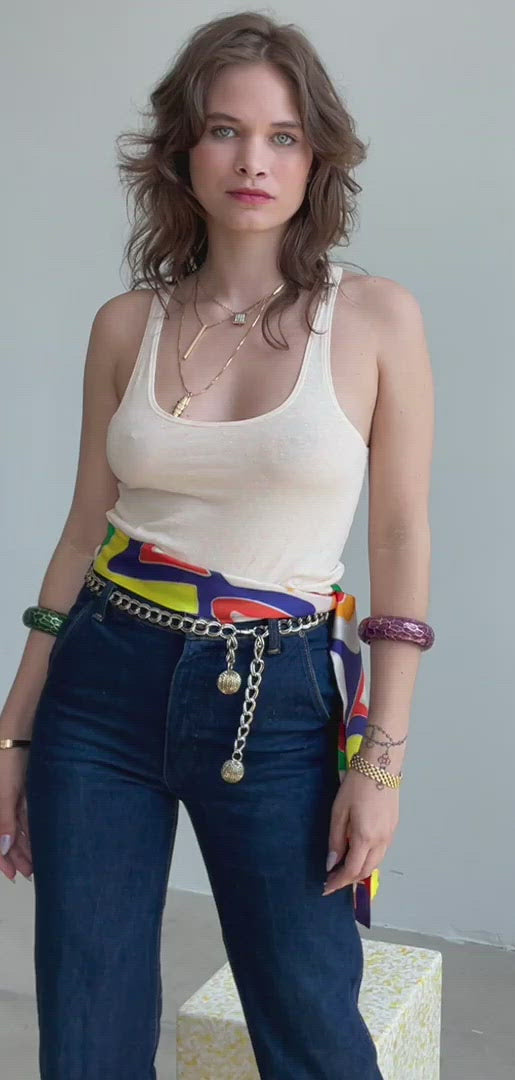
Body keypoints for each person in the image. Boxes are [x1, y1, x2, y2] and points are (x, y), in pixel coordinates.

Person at [0, 11, 435, 1079]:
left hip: (275, 698)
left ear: (317, 158)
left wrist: (381, 762)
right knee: (88, 1029)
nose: (253, 160)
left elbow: (399, 536)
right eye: (225, 131)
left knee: (311, 1025)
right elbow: (84, 528)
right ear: (182, 152)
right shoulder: (126, 324)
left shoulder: (375, 319)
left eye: (283, 136)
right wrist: (14, 733)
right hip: (100, 683)